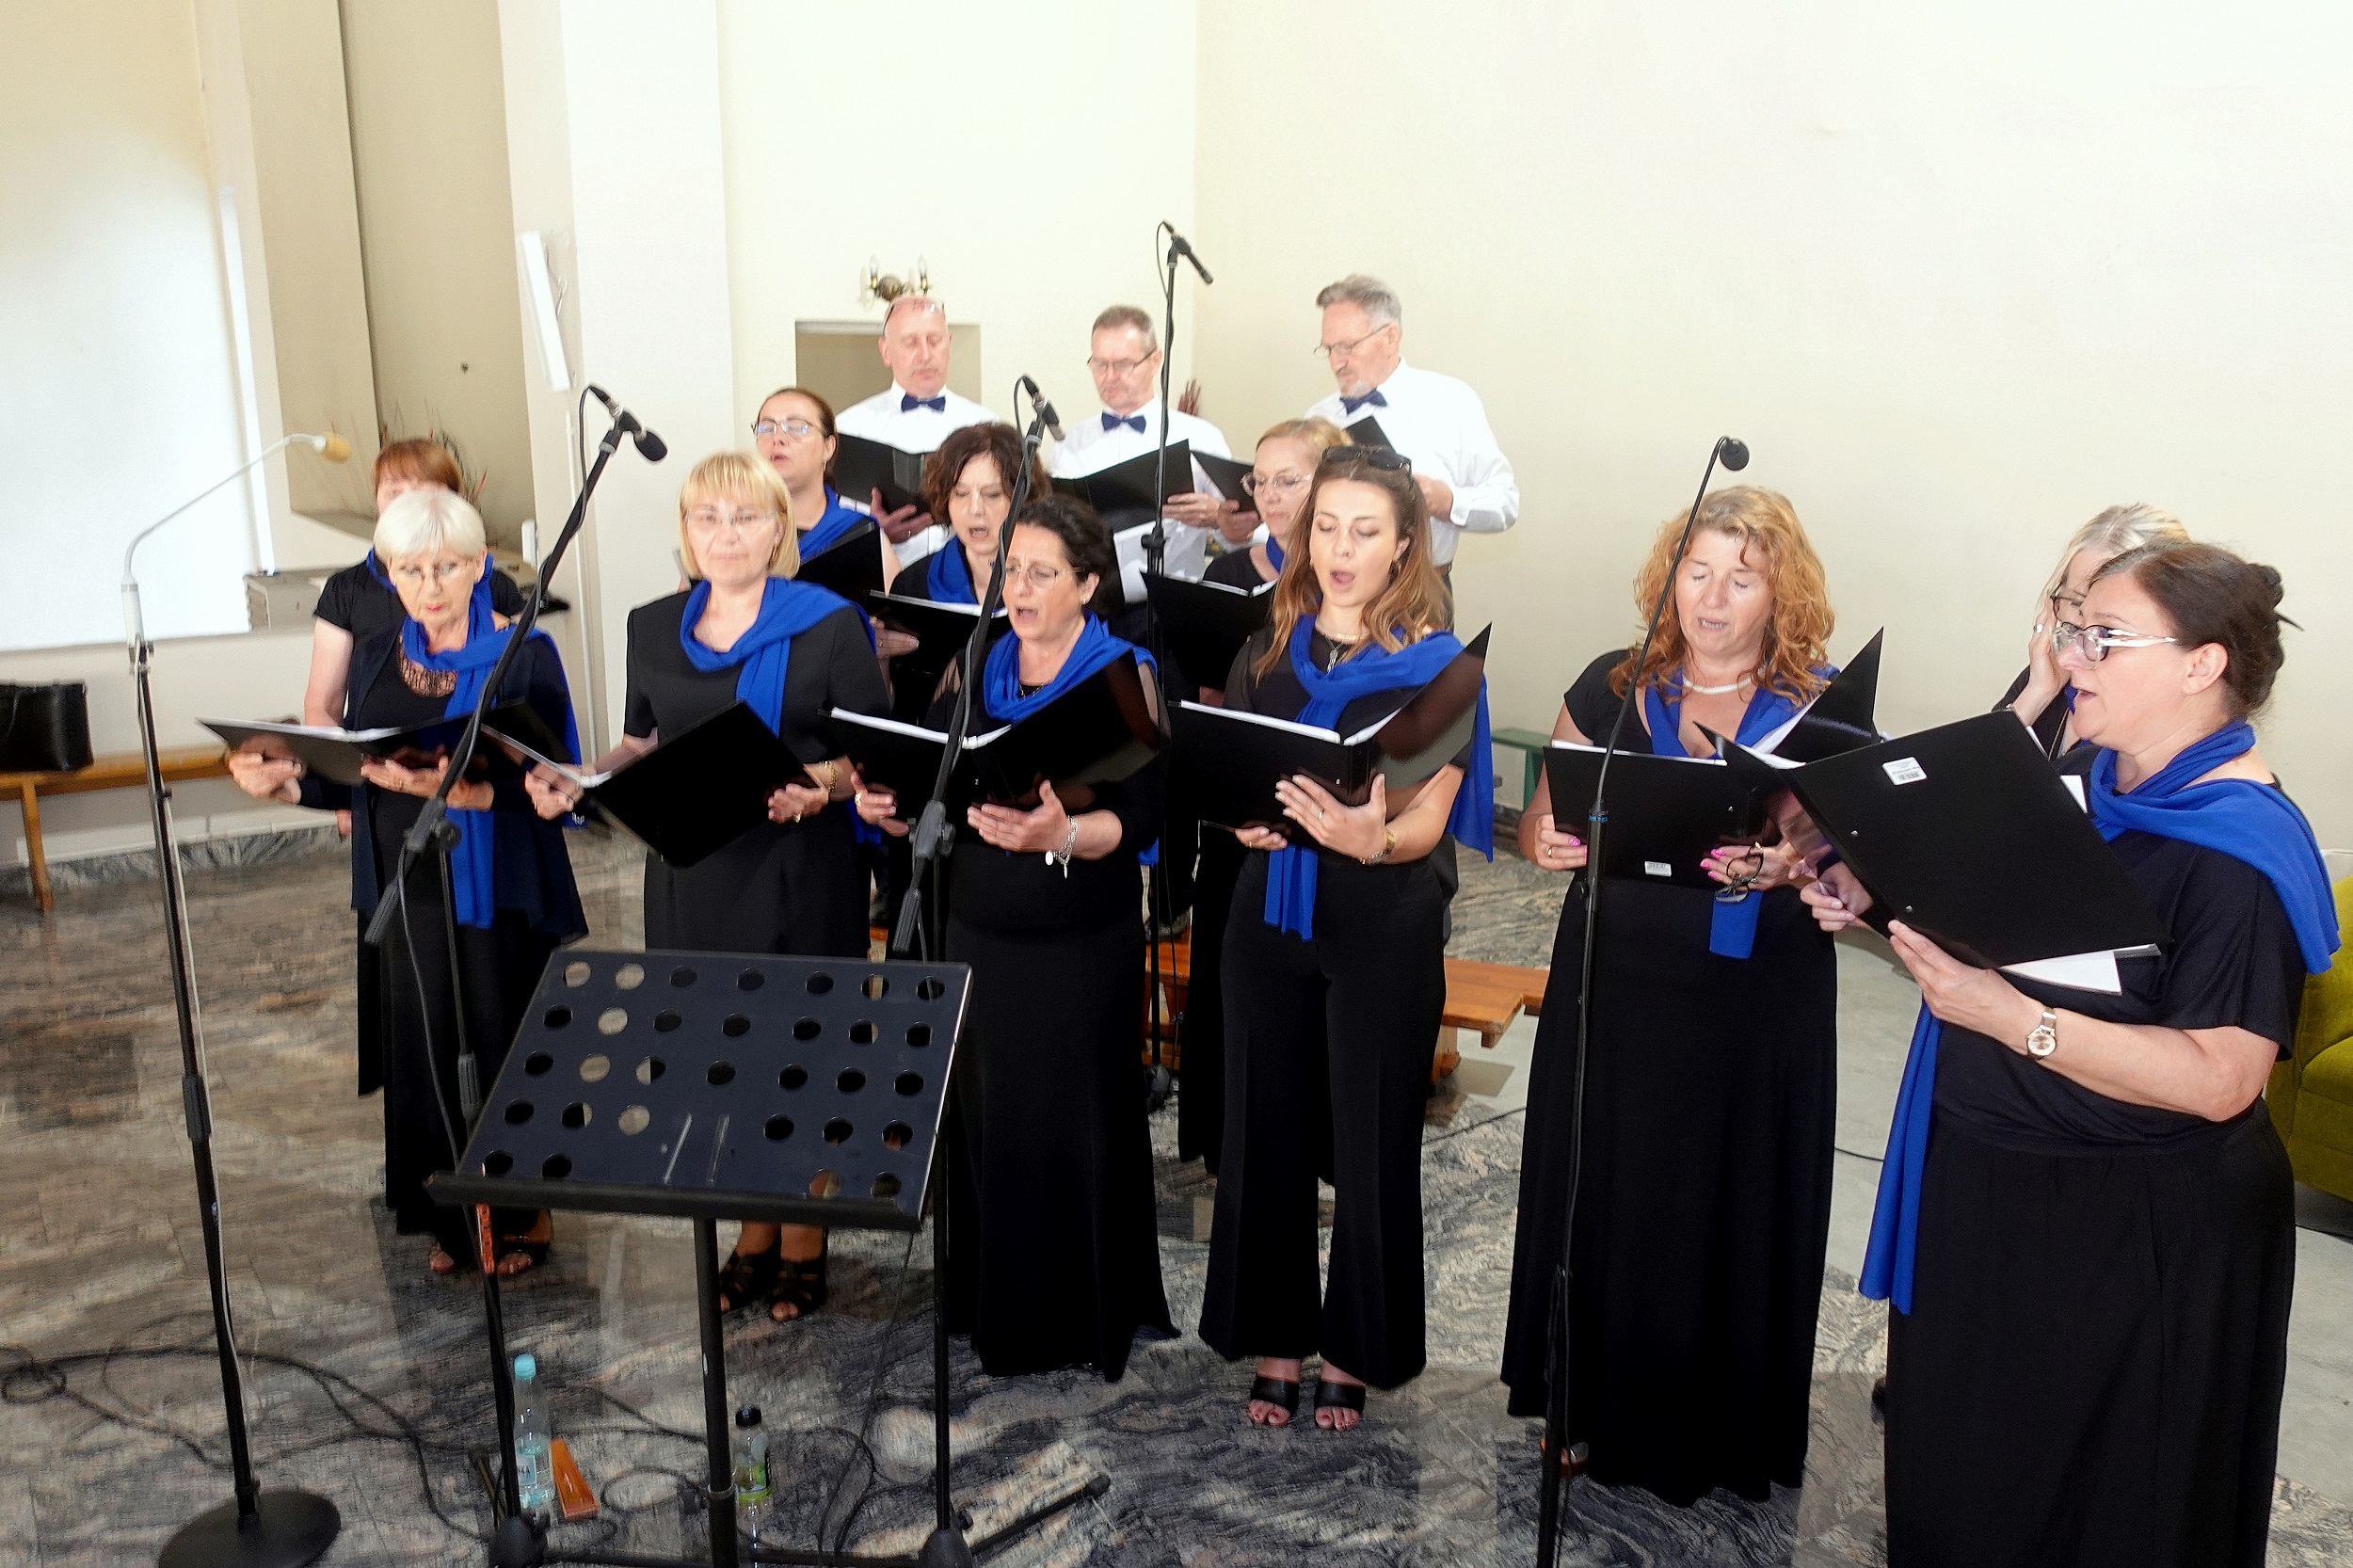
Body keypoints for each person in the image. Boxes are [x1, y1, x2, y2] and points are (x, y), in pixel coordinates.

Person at [1813, 542, 2334, 1568]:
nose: (2071, 655)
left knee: (2100, 1503)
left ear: (2202, 665)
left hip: (2129, 1233)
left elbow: (2222, 1079)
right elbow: (1992, 927)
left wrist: (2014, 1021)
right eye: (2072, 628)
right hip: (1992, 1190)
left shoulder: (2237, 851)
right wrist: (1875, 899)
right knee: (1971, 1478)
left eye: (2105, 638)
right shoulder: (2072, 784)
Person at [1497, 486, 1840, 1503]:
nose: (1712, 598)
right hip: (1616, 980)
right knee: (1605, 1184)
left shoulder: (1819, 704)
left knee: (1721, 1192)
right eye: (1697, 572)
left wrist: (1786, 863)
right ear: (1669, 577)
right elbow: (1542, 819)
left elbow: (1837, 849)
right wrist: (1547, 842)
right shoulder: (1615, 684)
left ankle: (1715, 1427)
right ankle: (1583, 1402)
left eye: (1742, 578)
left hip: (1750, 999)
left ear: (1781, 593)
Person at [527, 451, 887, 1322]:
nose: (725, 534)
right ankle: (751, 1233)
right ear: (686, 533)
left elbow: (873, 757)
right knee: (719, 1060)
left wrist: (823, 785)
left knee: (801, 1058)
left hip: (799, 870)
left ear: (778, 530)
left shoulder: (830, 625)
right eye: (707, 518)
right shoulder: (653, 625)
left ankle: (804, 1240)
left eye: (746, 517)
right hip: (693, 871)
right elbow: (641, 742)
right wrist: (582, 777)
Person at [1197, 445, 1496, 1432]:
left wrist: (1371, 840)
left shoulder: (1440, 671)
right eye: (1326, 525)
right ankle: (1276, 1336)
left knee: (1373, 1139)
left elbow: (1430, 817)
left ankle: (1357, 1348)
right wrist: (1242, 818)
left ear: (1405, 544)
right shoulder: (1265, 651)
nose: (1339, 547)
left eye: (1365, 531)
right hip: (1267, 912)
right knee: (1263, 1127)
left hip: (1382, 915)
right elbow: (1238, 776)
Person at [854, 494, 1174, 1379]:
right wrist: (888, 804)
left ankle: (1074, 1318)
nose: (1020, 589)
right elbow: (935, 781)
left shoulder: (1125, 673)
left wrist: (1060, 833)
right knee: (988, 1121)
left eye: (1042, 573)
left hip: (1078, 941)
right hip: (977, 931)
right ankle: (990, 1301)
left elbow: (1144, 819)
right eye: (1011, 571)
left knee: (1070, 1122)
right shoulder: (977, 661)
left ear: (1088, 584)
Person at [229, 488, 583, 1277]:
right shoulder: (374, 656)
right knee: (428, 1042)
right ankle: (449, 1219)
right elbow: (362, 773)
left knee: (502, 1036)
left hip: (501, 873)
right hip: (407, 868)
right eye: (411, 570)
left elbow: (559, 788)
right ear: (388, 575)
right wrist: (288, 786)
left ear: (479, 566)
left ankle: (522, 1211)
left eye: (447, 566)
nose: (430, 585)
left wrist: (472, 790)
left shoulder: (524, 653)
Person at [306, 441, 530, 1103]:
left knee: (493, 991)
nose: (427, 586)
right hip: (390, 805)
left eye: (420, 489)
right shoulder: (352, 593)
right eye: (391, 490)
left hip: (481, 817)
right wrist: (340, 787)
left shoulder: (493, 590)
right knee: (414, 979)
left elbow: (524, 718)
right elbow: (324, 705)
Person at [1177, 416, 1349, 1174]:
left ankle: (1315, 1151)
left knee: (1317, 998)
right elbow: (1212, 693)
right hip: (1243, 816)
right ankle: (1231, 1143)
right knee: (1230, 972)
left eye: (1290, 480)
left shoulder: (1353, 585)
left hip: (1329, 817)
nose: (1271, 496)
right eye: (1260, 481)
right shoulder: (1227, 574)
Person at [1303, 275, 1517, 584]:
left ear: (1391, 337)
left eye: (1347, 347)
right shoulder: (1320, 417)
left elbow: (1505, 502)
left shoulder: (1451, 400)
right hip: (1333, 591)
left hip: (1420, 591)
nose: (1337, 363)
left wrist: (1447, 502)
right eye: (1329, 349)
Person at [1050, 304, 1242, 603]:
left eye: (1123, 364)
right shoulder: (1071, 442)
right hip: (1090, 606)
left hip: (1172, 605)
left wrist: (1217, 517)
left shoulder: (1201, 437)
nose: (1109, 376)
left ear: (1155, 360)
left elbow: (1241, 539)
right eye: (1099, 364)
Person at [2000, 504, 2188, 756]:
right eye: (2076, 602)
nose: (2085, 626)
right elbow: (1964, 776)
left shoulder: (2159, 727)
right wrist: (2036, 694)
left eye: (2108, 615)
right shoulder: (2051, 672)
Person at [835, 296, 998, 564]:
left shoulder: (986, 426)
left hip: (970, 576)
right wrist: (874, 533)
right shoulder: (849, 427)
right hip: (882, 576)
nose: (925, 355)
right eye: (910, 342)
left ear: (949, 344)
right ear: (886, 351)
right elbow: (833, 521)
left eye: (934, 341)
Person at [888, 423, 1049, 610]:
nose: (975, 509)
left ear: (1024, 498)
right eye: (961, 494)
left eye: (992, 494)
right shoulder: (911, 587)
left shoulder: (1058, 579)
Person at [752, 385, 902, 575]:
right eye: (766, 428)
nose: (778, 438)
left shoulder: (859, 534)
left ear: (828, 447)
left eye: (796, 427)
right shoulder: (734, 529)